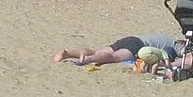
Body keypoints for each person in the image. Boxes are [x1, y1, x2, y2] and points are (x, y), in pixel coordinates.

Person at [54, 34, 185, 67]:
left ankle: (68, 53)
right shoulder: (174, 43)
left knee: (96, 51)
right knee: (113, 57)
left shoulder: (163, 38)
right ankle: (88, 59)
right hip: (136, 45)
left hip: (130, 39)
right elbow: (182, 52)